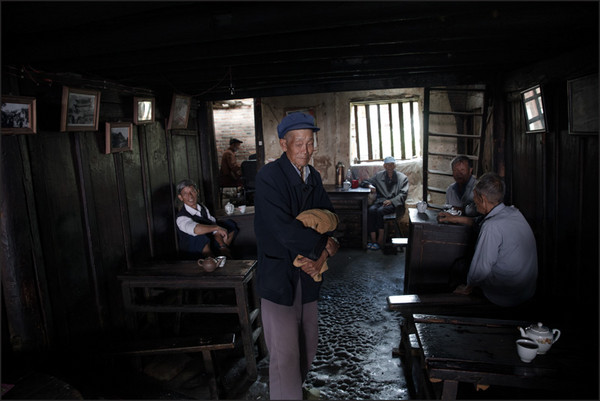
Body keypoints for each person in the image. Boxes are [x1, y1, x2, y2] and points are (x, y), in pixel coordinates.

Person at [254, 111, 340, 400]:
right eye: (298, 143)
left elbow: (329, 217)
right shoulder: (269, 177)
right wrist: (319, 249)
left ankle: (297, 391)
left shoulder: (312, 176)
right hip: (280, 276)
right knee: (284, 353)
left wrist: (328, 246)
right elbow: (282, 228)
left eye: (310, 142)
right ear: (283, 144)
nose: (306, 149)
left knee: (308, 342)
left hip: (307, 275)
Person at [437, 172, 538, 307]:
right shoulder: (513, 212)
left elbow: (480, 269)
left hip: (507, 294)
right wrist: (453, 218)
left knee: (460, 268)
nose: (474, 202)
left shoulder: (491, 227)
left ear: (483, 199)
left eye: (475, 198)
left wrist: (468, 287)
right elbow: (479, 221)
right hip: (526, 290)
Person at [175, 179, 238, 259]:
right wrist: (216, 228)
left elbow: (214, 227)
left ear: (197, 192)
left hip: (209, 241)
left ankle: (222, 253)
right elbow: (195, 229)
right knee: (200, 237)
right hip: (193, 250)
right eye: (185, 194)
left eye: (192, 191)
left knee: (230, 224)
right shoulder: (181, 217)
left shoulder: (202, 208)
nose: (190, 196)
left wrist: (222, 246)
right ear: (180, 197)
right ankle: (211, 261)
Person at [361, 156, 409, 250]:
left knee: (380, 211)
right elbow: (364, 182)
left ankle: (380, 239)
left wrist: (391, 201)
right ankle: (373, 239)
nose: (390, 167)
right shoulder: (379, 176)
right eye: (387, 165)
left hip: (395, 204)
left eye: (392, 165)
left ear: (395, 166)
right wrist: (369, 185)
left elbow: (403, 194)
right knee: (370, 210)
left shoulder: (402, 178)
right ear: (384, 166)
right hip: (381, 201)